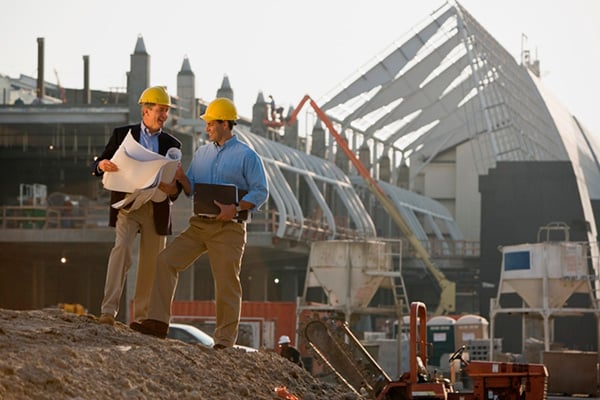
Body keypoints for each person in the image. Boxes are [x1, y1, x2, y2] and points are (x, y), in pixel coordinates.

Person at [133, 97, 269, 349]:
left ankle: (225, 341)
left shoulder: (247, 156)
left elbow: (261, 192)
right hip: (199, 226)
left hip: (229, 228)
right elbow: (192, 188)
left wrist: (236, 208)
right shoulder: (202, 153)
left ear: (226, 124)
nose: (206, 127)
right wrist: (181, 178)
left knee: (226, 281)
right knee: (165, 261)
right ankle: (157, 323)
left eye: (211, 123)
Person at [91, 86, 184, 326]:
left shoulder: (172, 143)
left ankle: (141, 319)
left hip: (157, 208)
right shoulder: (122, 134)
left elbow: (176, 190)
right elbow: (101, 162)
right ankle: (108, 312)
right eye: (160, 110)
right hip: (128, 205)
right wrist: (102, 165)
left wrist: (171, 188)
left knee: (150, 264)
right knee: (120, 251)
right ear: (145, 110)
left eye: (166, 111)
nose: (164, 115)